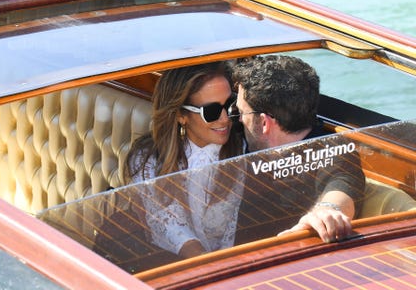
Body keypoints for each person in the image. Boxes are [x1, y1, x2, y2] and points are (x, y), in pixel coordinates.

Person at [230, 55, 366, 244]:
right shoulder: (235, 137)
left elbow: (343, 183)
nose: (236, 119)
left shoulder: (334, 149)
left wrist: (326, 212)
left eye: (240, 112)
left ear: (264, 123)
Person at [124, 62, 244, 258]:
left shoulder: (243, 149)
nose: (225, 119)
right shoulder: (148, 159)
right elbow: (173, 229)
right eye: (211, 111)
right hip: (171, 265)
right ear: (181, 115)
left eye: (230, 104)